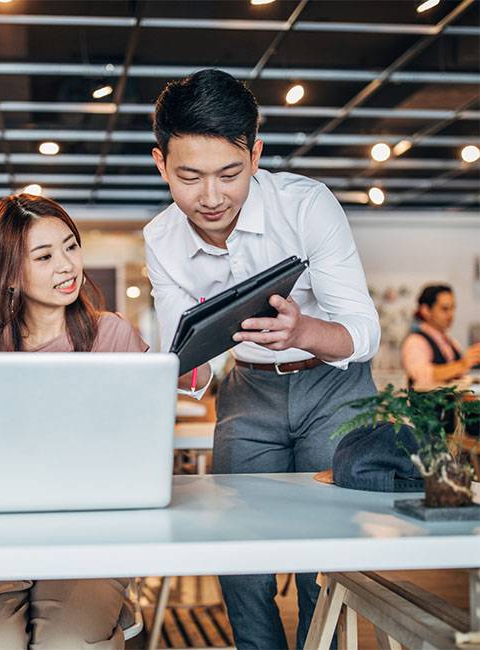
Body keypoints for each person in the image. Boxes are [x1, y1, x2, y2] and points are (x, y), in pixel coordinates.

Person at [144, 69, 381, 650]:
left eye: (229, 173)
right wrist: (160, 365)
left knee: (322, 556)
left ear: (256, 154)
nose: (211, 197)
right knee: (239, 548)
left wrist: (303, 329)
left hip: (335, 388)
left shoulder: (306, 206)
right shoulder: (161, 239)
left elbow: (364, 333)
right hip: (248, 391)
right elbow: (186, 359)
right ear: (160, 164)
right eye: (189, 177)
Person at [0, 193, 178, 650]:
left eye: (71, 247)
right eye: (44, 256)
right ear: (9, 273)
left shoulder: (113, 335)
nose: (67, 266)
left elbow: (147, 457)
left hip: (90, 538)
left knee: (65, 641)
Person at [401, 284, 480, 386]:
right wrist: (462, 365)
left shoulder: (452, 343)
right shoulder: (415, 342)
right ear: (425, 310)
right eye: (445, 309)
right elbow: (421, 376)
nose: (451, 314)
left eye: (453, 308)